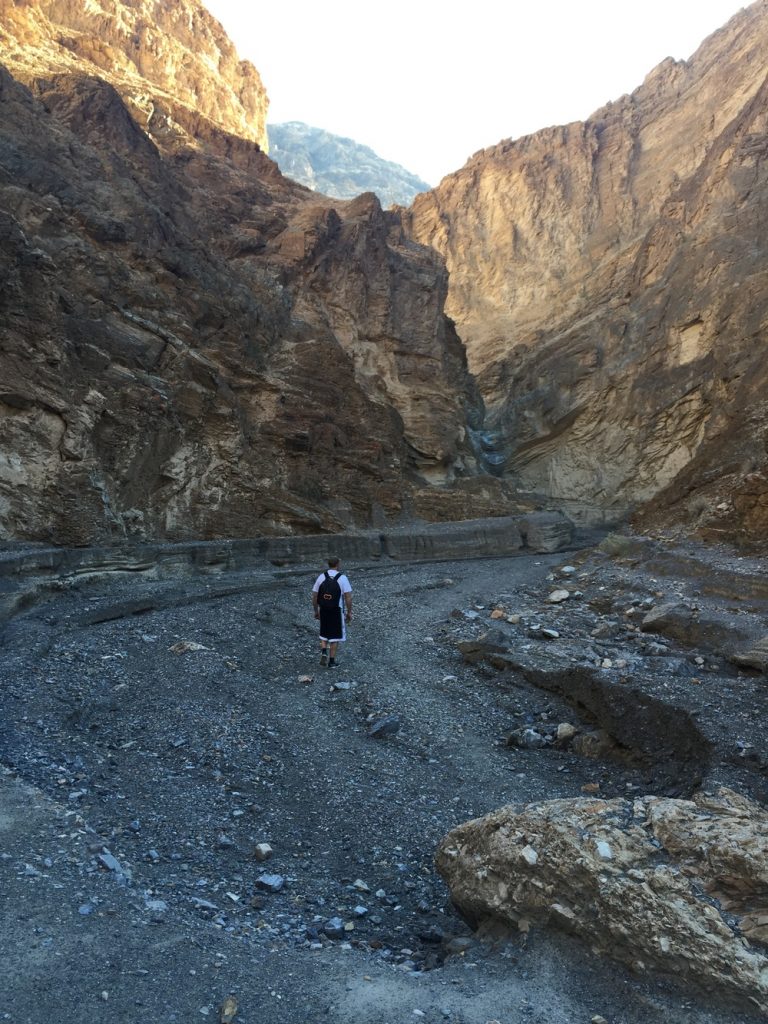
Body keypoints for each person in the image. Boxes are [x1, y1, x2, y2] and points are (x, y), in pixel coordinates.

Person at [311, 556, 352, 667]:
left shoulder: (321, 577)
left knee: (324, 633)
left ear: (328, 564)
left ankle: (324, 651)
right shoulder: (342, 578)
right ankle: (332, 661)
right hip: (336, 610)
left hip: (323, 609)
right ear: (338, 564)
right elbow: (348, 597)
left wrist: (316, 610)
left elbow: (315, 596)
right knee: (335, 636)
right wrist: (349, 612)